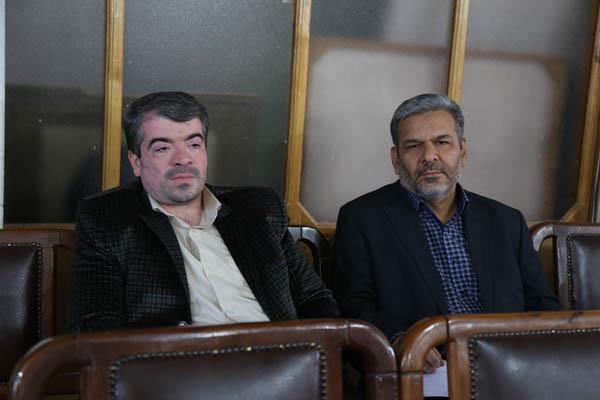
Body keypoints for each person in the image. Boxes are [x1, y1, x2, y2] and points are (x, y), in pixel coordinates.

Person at [68, 91, 339, 332]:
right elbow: (95, 326)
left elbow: (313, 299)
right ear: (136, 162)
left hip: (283, 360)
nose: (183, 159)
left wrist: (318, 356)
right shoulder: (107, 219)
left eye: (193, 145)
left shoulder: (258, 209)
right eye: (163, 148)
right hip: (180, 366)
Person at [333, 93, 559, 371]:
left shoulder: (506, 220)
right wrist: (401, 341)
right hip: (424, 371)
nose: (430, 156)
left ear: (463, 152)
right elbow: (353, 307)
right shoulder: (361, 219)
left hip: (508, 367)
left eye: (442, 142)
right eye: (414, 145)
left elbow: (544, 305)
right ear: (395, 159)